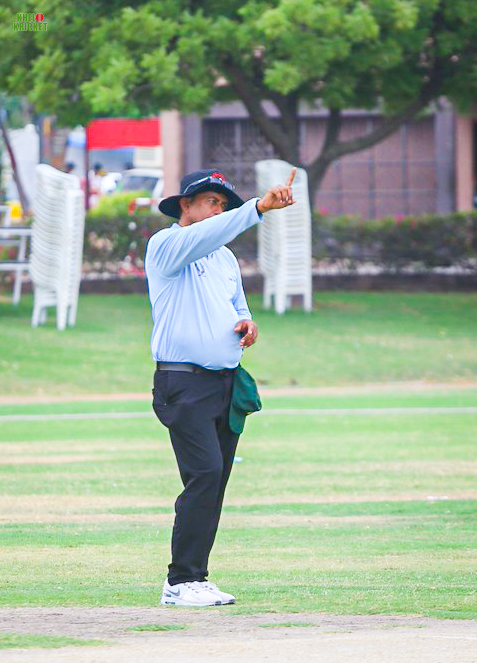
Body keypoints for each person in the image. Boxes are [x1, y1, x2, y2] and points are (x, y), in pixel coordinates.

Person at [145, 167, 296, 607]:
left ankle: (196, 576)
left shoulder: (225, 258)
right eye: (211, 201)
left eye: (224, 204)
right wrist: (257, 208)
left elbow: (237, 306)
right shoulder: (166, 245)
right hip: (182, 382)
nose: (219, 209)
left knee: (216, 480)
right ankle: (180, 581)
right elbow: (207, 235)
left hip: (224, 384)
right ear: (185, 205)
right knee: (205, 473)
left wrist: (247, 322)